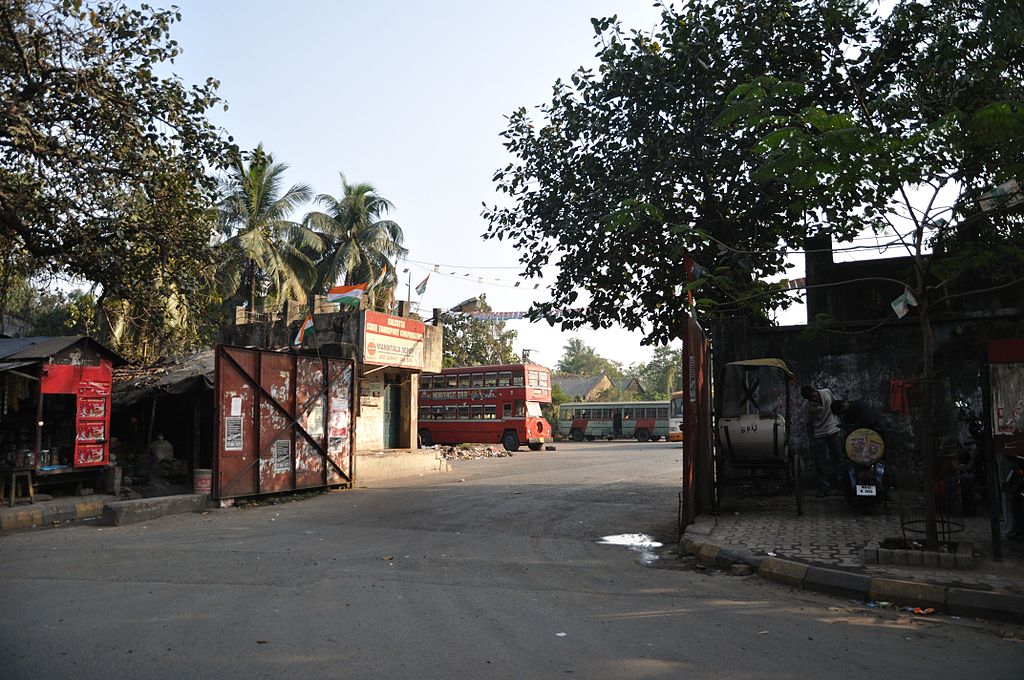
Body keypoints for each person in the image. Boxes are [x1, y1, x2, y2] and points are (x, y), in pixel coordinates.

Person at [801, 384, 843, 496]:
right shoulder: (806, 406)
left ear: (815, 390)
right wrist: (810, 441)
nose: (814, 399)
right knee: (820, 462)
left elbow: (837, 407)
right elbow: (808, 425)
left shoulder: (827, 392)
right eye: (810, 399)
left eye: (814, 396)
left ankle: (842, 486)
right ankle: (824, 489)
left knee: (838, 458)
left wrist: (842, 423)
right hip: (819, 434)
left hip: (833, 429)